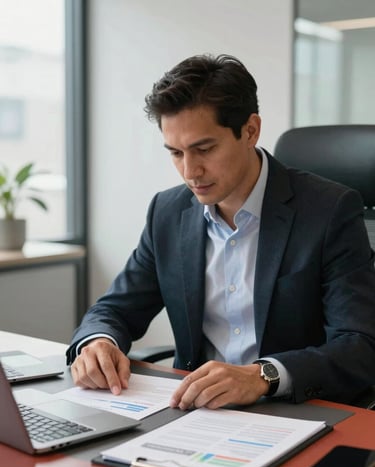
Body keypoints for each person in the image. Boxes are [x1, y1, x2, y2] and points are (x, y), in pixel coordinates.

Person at [66, 53, 375, 410]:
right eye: (176, 153)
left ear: (250, 130)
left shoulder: (328, 210)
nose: (189, 171)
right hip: (195, 412)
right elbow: (115, 309)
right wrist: (97, 343)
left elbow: (360, 345)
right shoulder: (167, 212)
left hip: (296, 410)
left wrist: (262, 376)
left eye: (204, 149)